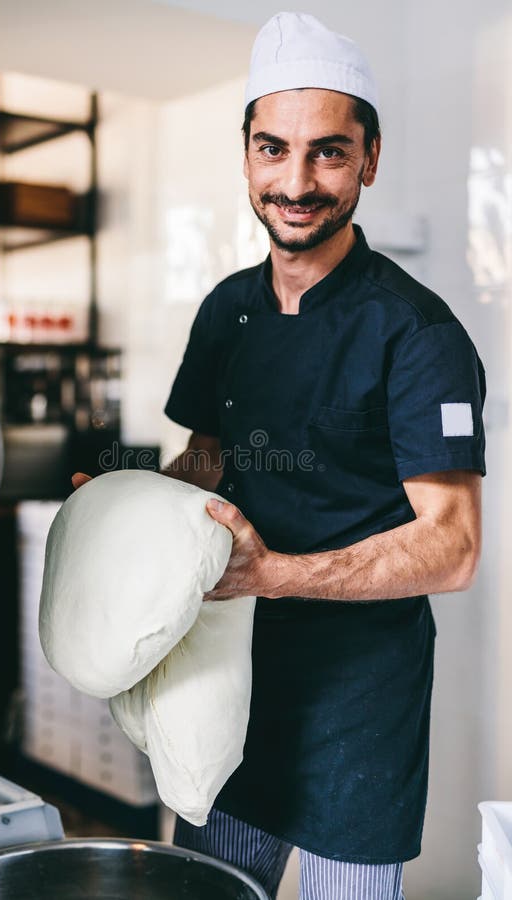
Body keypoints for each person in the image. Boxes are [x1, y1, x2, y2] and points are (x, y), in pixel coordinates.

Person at [74, 12, 486, 900]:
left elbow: (451, 546)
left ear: (370, 158)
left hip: (358, 714)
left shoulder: (418, 334)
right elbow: (207, 467)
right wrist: (124, 511)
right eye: (273, 149)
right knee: (205, 892)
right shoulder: (226, 310)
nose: (295, 181)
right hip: (223, 686)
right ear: (248, 153)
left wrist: (273, 574)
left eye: (329, 153)